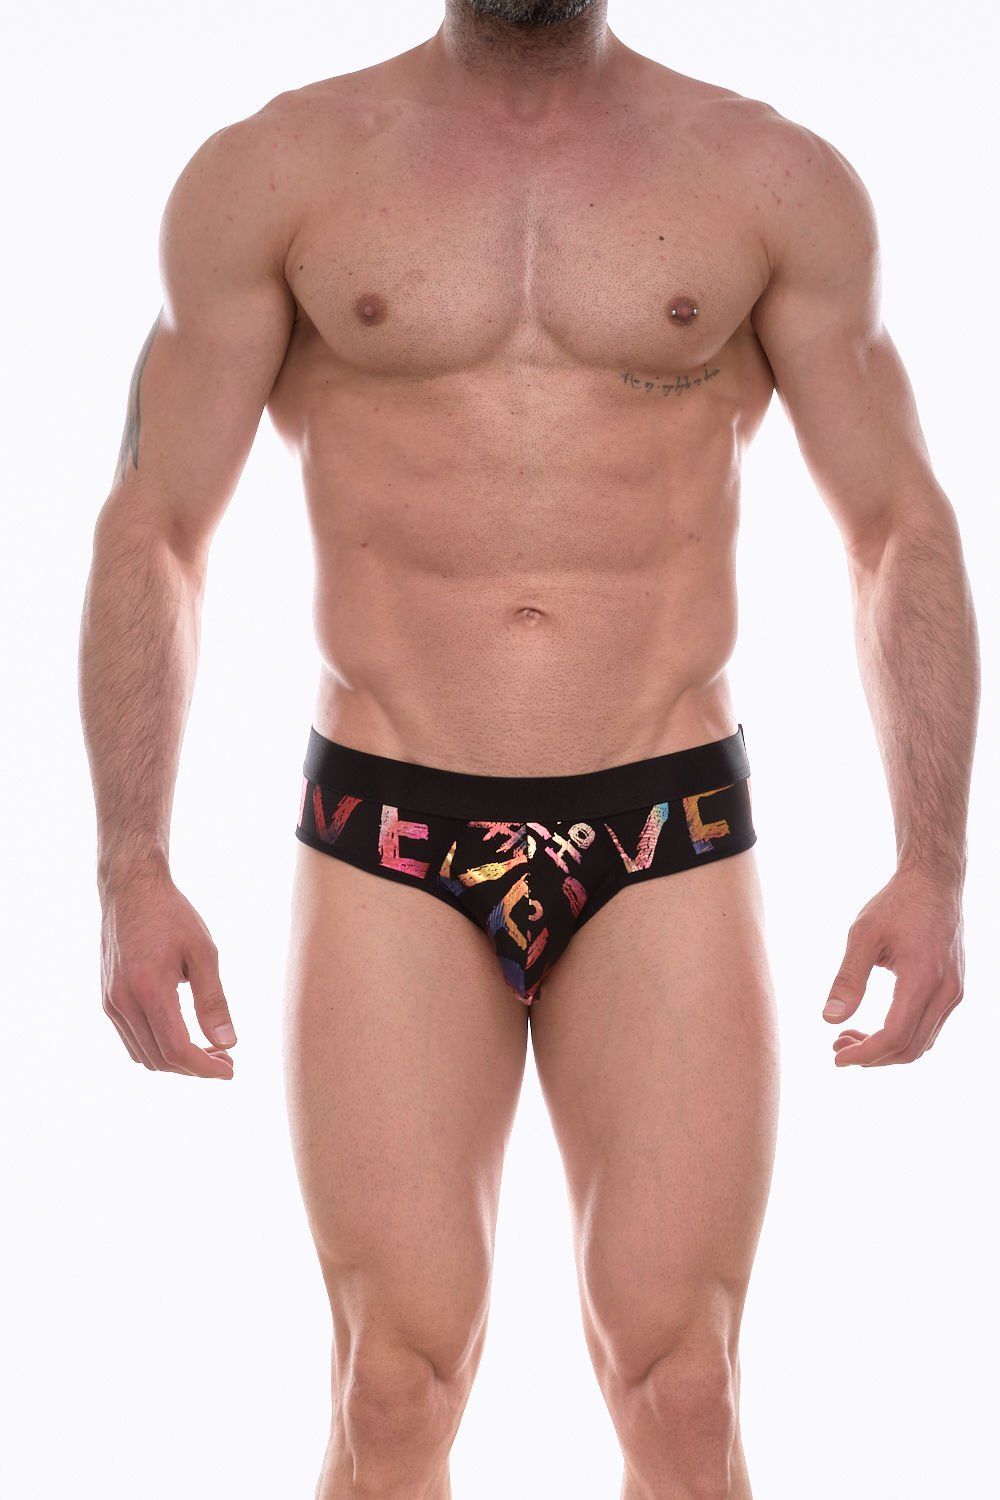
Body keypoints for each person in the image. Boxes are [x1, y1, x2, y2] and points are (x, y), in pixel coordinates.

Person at [78, 2, 979, 1495]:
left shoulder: (767, 177)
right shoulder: (279, 171)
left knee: (685, 1389)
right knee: (393, 1390)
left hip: (664, 827)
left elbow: (899, 525)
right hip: (389, 832)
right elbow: (155, 528)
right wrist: (130, 864)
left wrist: (932, 860)